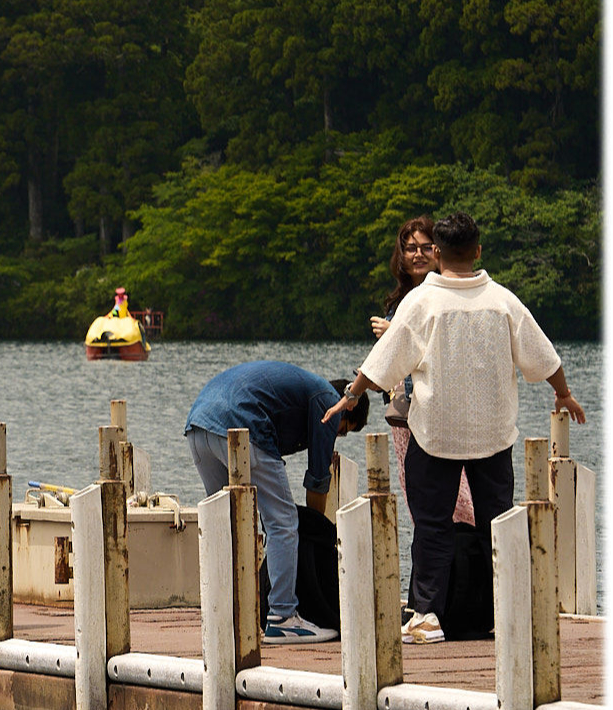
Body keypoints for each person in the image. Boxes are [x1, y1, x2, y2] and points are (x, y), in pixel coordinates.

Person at [327, 212, 587, 644]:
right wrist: (563, 394)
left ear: (437, 252)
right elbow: (545, 357)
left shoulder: (421, 303)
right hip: (492, 434)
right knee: (497, 525)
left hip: (435, 434)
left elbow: (383, 362)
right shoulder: (503, 301)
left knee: (433, 528)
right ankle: (506, 610)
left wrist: (350, 396)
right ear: (478, 251)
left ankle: (428, 615)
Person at [185, 361, 368, 644]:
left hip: (199, 426)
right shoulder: (330, 402)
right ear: (347, 410)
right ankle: (283, 617)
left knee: (226, 524)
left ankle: (226, 613)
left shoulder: (303, 392)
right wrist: (313, 534)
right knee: (283, 523)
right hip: (243, 422)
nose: (337, 436)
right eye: (343, 431)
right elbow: (317, 481)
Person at [373, 216, 475, 527]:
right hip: (404, 414)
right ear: (401, 256)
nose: (418, 254)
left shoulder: (452, 294)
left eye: (425, 247)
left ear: (439, 250)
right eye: (410, 248)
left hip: (442, 411)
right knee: (416, 494)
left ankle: (469, 548)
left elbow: (455, 350)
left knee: (461, 498)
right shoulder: (398, 302)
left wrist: (396, 334)